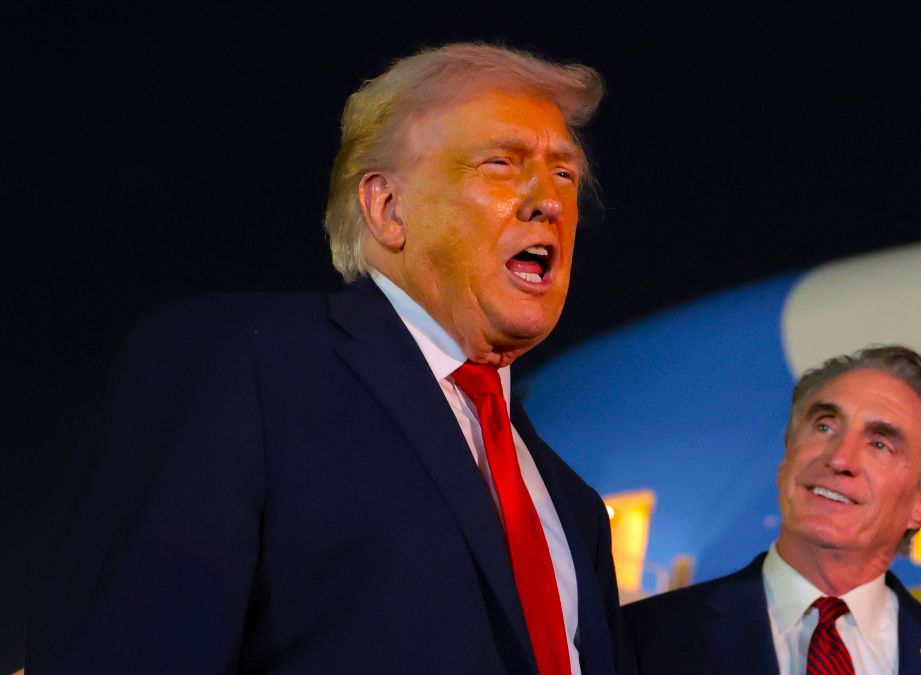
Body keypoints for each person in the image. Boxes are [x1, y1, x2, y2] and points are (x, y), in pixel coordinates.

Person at [28, 43, 622, 674]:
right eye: (502, 163)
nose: (549, 202)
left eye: (564, 173)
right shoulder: (243, 369)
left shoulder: (570, 504)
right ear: (388, 209)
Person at [623, 346, 921, 674]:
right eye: (824, 427)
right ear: (787, 457)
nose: (840, 459)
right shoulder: (644, 638)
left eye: (880, 444)